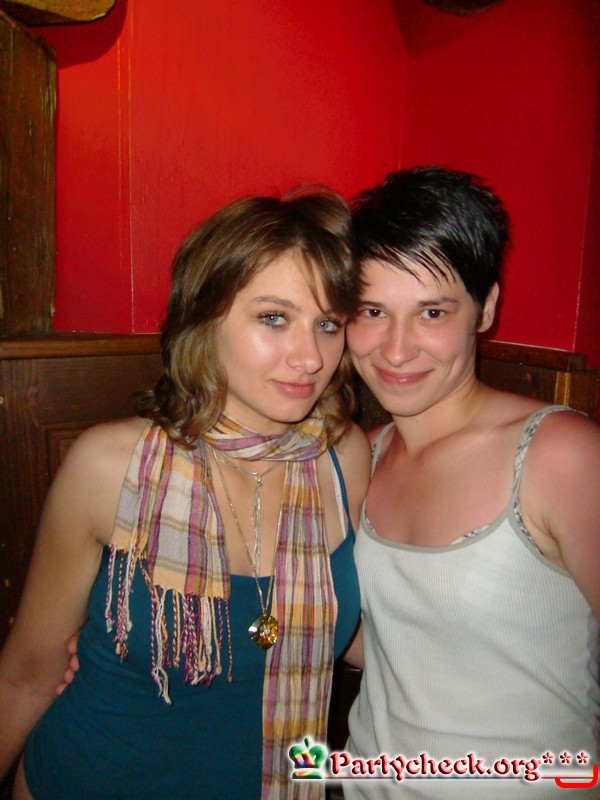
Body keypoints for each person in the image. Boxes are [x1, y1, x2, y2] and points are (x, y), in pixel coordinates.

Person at [0, 187, 371, 799]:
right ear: (205, 317)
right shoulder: (109, 465)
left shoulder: (343, 457)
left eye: (327, 324)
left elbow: (347, 624)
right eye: (273, 318)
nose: (310, 357)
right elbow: (28, 672)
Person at [342, 166, 600, 798]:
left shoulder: (559, 455)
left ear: (484, 308)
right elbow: (382, 643)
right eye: (372, 311)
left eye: (432, 312)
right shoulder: (359, 458)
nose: (396, 350)